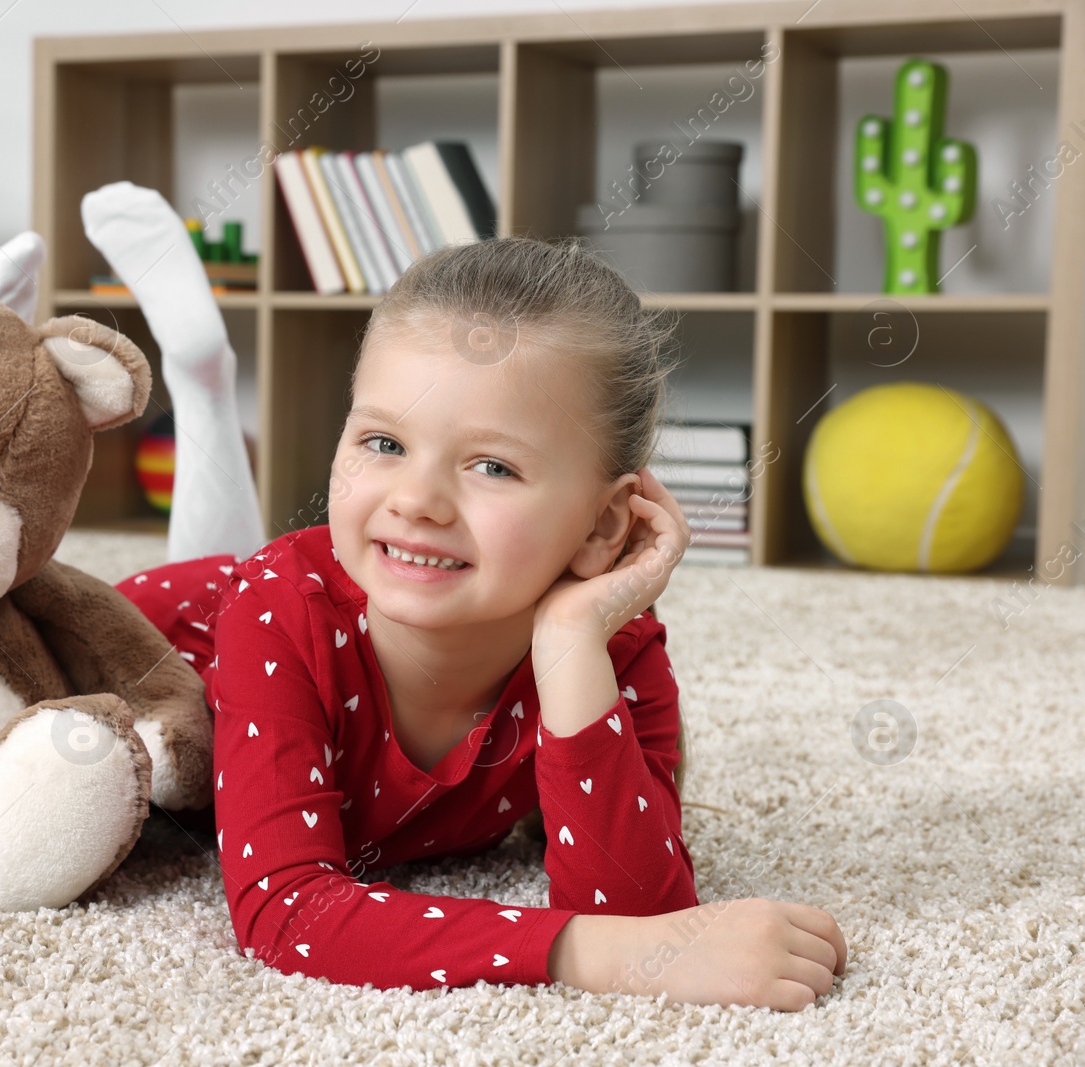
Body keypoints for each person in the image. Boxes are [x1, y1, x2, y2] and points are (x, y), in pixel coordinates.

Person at [74, 181, 847, 1011]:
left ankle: (209, 386)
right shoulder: (283, 608)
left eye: (492, 466)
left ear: (602, 524)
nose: (419, 499)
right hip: (160, 642)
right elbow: (284, 911)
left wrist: (568, 646)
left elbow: (640, 908)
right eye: (383, 441)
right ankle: (203, 383)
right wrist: (593, 955)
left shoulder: (611, 645)